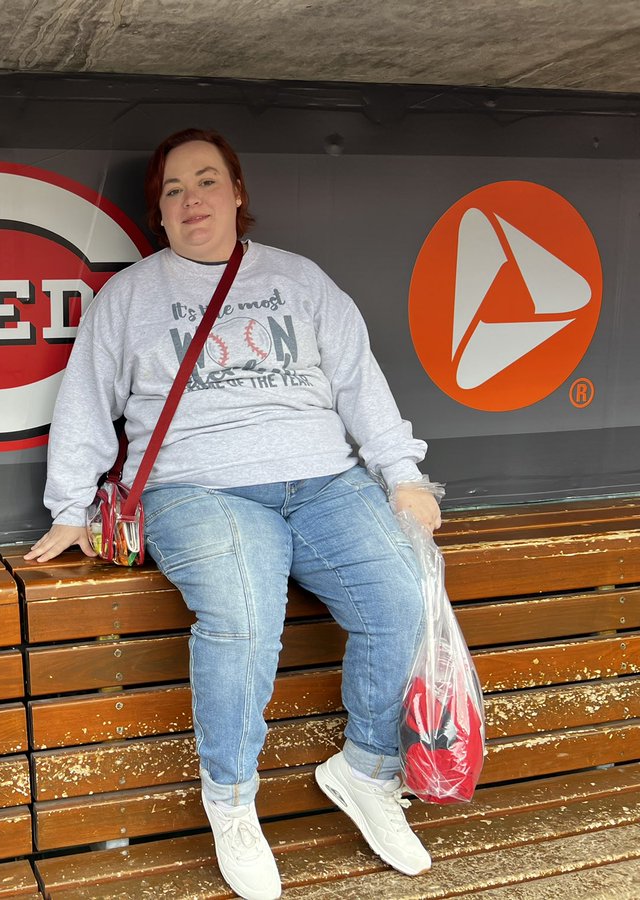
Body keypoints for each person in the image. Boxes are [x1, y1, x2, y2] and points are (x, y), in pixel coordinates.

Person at [26, 128, 441, 900]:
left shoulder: (299, 279)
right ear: (158, 212)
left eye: (206, 181)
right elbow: (85, 402)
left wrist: (402, 472)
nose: (192, 201)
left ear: (238, 192)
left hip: (325, 481)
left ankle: (367, 771)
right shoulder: (133, 296)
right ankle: (232, 800)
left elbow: (358, 380)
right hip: (199, 488)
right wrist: (71, 508)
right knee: (245, 616)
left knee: (400, 599)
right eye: (174, 190)